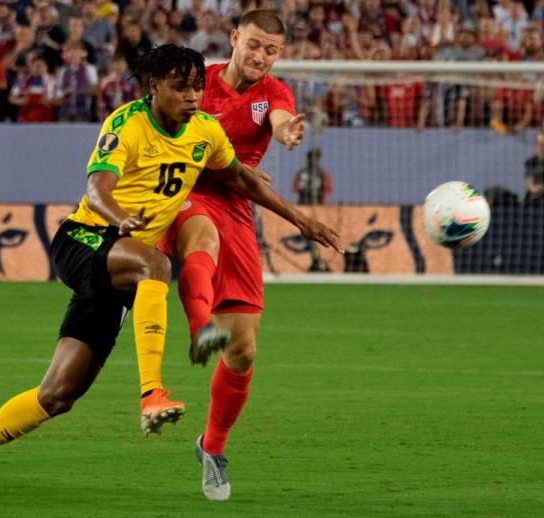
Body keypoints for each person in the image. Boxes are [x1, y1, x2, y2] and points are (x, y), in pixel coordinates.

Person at [0, 43, 340, 500]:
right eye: (181, 87)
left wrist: (302, 220)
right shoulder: (126, 123)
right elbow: (97, 188)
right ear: (154, 86)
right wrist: (118, 216)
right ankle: (153, 394)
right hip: (84, 240)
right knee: (157, 263)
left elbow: (240, 178)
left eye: (198, 87)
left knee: (58, 395)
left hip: (120, 268)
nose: (193, 96)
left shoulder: (204, 131)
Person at [155, 10, 313, 502]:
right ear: (234, 39)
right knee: (201, 236)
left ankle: (211, 446)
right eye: (254, 45)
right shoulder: (195, 82)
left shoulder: (274, 96)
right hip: (180, 192)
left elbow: (282, 120)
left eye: (272, 50)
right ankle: (199, 325)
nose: (261, 56)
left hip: (236, 206)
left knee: (243, 348)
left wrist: (286, 133)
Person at [293, 147, 333, 272]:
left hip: (314, 209)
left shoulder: (321, 175)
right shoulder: (303, 174)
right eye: (312, 158)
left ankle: (319, 261)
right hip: (306, 208)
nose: (313, 161)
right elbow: (297, 191)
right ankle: (315, 261)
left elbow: (324, 193)